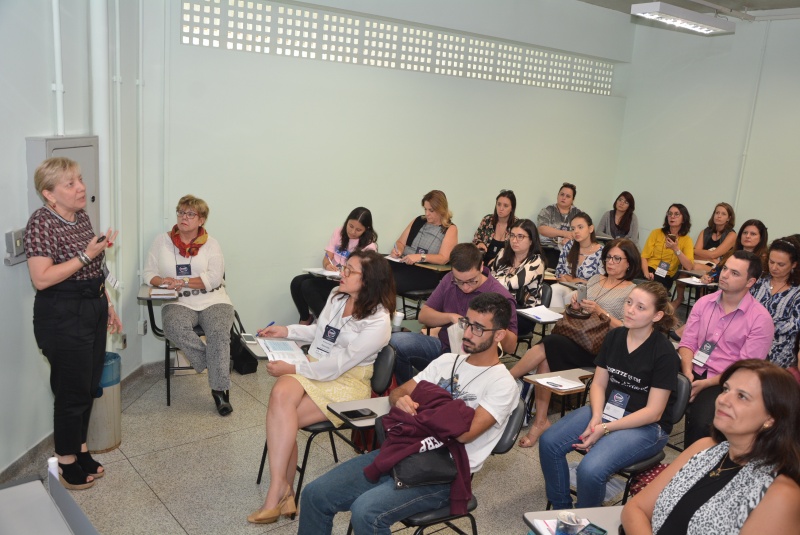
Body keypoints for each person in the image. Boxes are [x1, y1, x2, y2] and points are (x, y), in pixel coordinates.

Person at [296, 293, 519, 535]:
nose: (466, 334)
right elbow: (400, 392)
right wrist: (402, 400)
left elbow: (465, 434)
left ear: (499, 335)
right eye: (466, 323)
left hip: (445, 473)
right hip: (403, 452)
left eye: (478, 329)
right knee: (314, 495)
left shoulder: (502, 383)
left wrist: (423, 408)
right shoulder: (447, 361)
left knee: (366, 513)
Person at [248, 250, 394, 524]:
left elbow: (341, 363)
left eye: (350, 271)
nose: (342, 273)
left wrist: (293, 368)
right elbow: (321, 332)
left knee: (282, 419)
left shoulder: (378, 321)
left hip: (347, 381)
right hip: (315, 364)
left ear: (369, 280)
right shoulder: (337, 296)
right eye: (344, 267)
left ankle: (277, 494)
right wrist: (287, 331)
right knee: (281, 394)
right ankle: (284, 491)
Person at [24, 157, 122, 490]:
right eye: (70, 184)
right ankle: (66, 461)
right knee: (71, 391)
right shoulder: (41, 223)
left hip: (90, 306)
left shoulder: (80, 215)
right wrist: (84, 255)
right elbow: (41, 278)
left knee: (88, 384)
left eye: (80, 180)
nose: (81, 187)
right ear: (49, 194)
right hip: (62, 313)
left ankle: (80, 450)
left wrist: (106, 302)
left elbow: (95, 265)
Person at [539, 282, 680, 509]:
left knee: (591, 469)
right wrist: (597, 417)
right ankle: (562, 511)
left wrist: (605, 428)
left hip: (647, 426)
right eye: (629, 302)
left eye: (641, 307)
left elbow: (654, 412)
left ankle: (586, 524)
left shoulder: (664, 353)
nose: (630, 310)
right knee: (549, 442)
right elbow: (599, 384)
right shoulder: (615, 337)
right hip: (607, 411)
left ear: (657, 315)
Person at [622, 359, 800, 535]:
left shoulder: (779, 493)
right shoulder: (703, 448)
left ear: (770, 419)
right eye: (726, 389)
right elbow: (635, 509)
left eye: (742, 396)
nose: (723, 399)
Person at [512, 238, 641, 447]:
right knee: (547, 355)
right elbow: (582, 312)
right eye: (608, 257)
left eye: (618, 258)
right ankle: (540, 421)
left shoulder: (631, 291)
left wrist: (601, 312)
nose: (611, 262)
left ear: (629, 262)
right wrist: (577, 304)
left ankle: (507, 379)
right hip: (578, 337)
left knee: (549, 343)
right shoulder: (595, 279)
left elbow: (629, 329)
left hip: (601, 347)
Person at [143, 195, 235, 416]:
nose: (184, 217)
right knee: (173, 326)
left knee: (218, 332)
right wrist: (164, 281)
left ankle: (219, 392)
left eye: (190, 214)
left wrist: (181, 281)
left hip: (214, 299)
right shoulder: (161, 241)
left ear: (201, 220)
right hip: (178, 300)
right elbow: (149, 273)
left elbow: (213, 278)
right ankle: (213, 364)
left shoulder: (212, 244)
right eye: (181, 212)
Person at [678, 251, 774, 447]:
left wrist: (705, 383)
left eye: (735, 273)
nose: (725, 275)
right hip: (691, 368)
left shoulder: (760, 319)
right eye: (725, 269)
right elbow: (687, 343)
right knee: (648, 384)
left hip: (725, 381)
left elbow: (745, 369)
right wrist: (687, 372)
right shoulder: (704, 302)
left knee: (702, 421)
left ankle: (690, 469)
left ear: (750, 282)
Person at [390, 243, 518, 384]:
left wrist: (493, 325)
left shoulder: (501, 297)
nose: (466, 287)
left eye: (471, 281)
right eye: (459, 281)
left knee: (451, 384)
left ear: (481, 267)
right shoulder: (449, 279)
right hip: (443, 347)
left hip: (474, 359)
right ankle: (410, 393)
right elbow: (423, 316)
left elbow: (511, 347)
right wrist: (450, 317)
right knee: (396, 342)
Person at [289, 207, 378, 325]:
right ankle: (305, 319)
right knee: (297, 281)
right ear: (347, 222)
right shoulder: (339, 232)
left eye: (358, 230)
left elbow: (365, 276)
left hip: (346, 284)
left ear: (366, 230)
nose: (352, 232)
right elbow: (327, 257)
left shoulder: (369, 247)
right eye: (350, 226)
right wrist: (327, 265)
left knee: (308, 286)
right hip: (331, 277)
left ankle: (327, 324)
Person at [389, 190, 458, 294]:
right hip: (404, 264)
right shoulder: (418, 220)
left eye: (431, 210)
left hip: (425, 271)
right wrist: (397, 250)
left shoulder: (449, 229)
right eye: (425, 209)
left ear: (441, 210)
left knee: (388, 281)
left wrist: (420, 256)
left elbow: (443, 258)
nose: (427, 214)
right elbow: (400, 242)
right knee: (374, 270)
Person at [672, 202, 737, 309]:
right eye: (717, 213)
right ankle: (679, 298)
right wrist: (710, 256)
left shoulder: (731, 234)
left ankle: (702, 306)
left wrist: (709, 254)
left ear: (729, 218)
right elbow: (694, 251)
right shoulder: (705, 231)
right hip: (704, 262)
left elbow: (715, 254)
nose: (719, 216)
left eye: (723, 214)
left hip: (718, 266)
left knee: (692, 266)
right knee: (686, 267)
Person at [749, 236, 800, 368]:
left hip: (780, 349)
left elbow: (794, 325)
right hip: (750, 339)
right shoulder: (760, 281)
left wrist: (761, 325)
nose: (774, 267)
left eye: (781, 264)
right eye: (771, 262)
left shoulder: (797, 291)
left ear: (794, 264)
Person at [490, 219, 546, 335]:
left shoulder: (536, 261)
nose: (514, 240)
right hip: (498, 306)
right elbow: (490, 278)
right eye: (512, 235)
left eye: (520, 237)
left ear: (531, 240)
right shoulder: (502, 253)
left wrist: (492, 282)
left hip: (523, 314)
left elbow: (512, 284)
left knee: (487, 319)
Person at [551, 212, 604, 308]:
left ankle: (560, 322)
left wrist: (569, 279)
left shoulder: (601, 252)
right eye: (573, 228)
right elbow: (559, 273)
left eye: (580, 227)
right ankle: (558, 322)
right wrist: (579, 281)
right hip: (567, 287)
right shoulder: (569, 246)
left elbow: (597, 283)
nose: (576, 231)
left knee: (572, 297)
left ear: (590, 229)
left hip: (589, 294)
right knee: (554, 289)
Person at [641, 203, 694, 290]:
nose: (672, 216)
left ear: (684, 219)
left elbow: (689, 267)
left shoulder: (687, 240)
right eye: (670, 213)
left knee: (653, 288)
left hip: (665, 275)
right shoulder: (656, 233)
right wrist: (646, 273)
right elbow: (644, 257)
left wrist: (676, 249)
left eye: (676, 214)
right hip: (649, 269)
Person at [701, 219, 768, 284]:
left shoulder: (764, 260)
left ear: (761, 238)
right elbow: (716, 272)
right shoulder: (730, 255)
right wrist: (708, 277)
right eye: (745, 233)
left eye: (753, 234)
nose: (747, 236)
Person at [536, 182, 581, 268]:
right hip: (548, 249)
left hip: (570, 251)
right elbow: (542, 229)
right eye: (562, 194)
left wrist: (569, 240)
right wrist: (565, 234)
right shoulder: (547, 210)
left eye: (568, 196)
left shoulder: (578, 214)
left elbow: (582, 233)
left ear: (573, 200)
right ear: (558, 195)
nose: (563, 198)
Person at [473, 189, 518, 265]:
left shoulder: (517, 225)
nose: (501, 208)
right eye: (499, 204)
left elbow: (518, 251)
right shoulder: (487, 220)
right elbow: (476, 239)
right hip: (483, 265)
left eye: (505, 206)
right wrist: (479, 243)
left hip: (504, 267)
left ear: (512, 208)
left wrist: (497, 260)